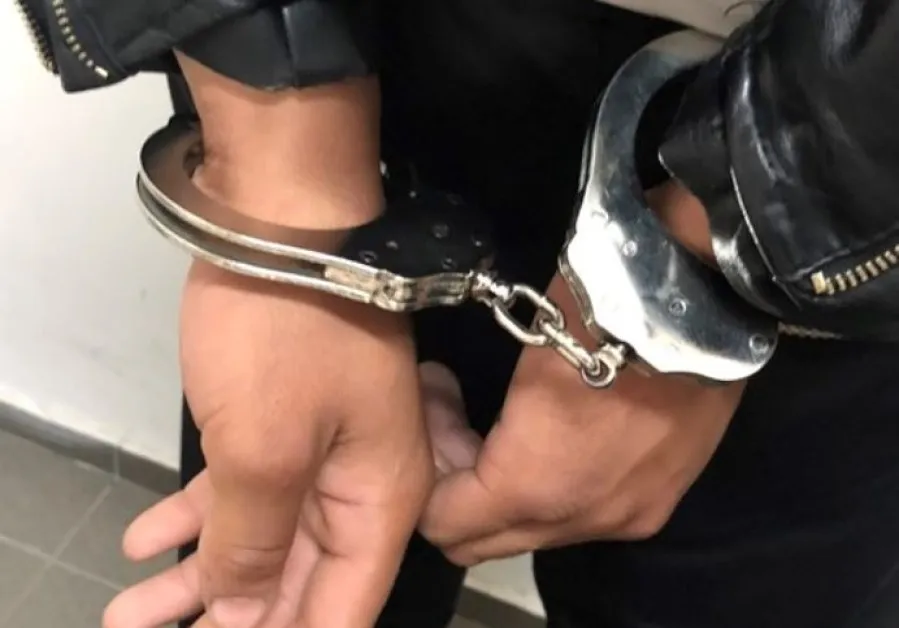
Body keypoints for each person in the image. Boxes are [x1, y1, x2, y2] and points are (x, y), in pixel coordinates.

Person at [16, 0, 899, 626]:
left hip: (847, 171)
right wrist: (278, 166)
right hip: (347, 79)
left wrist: (741, 242)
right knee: (287, 569)